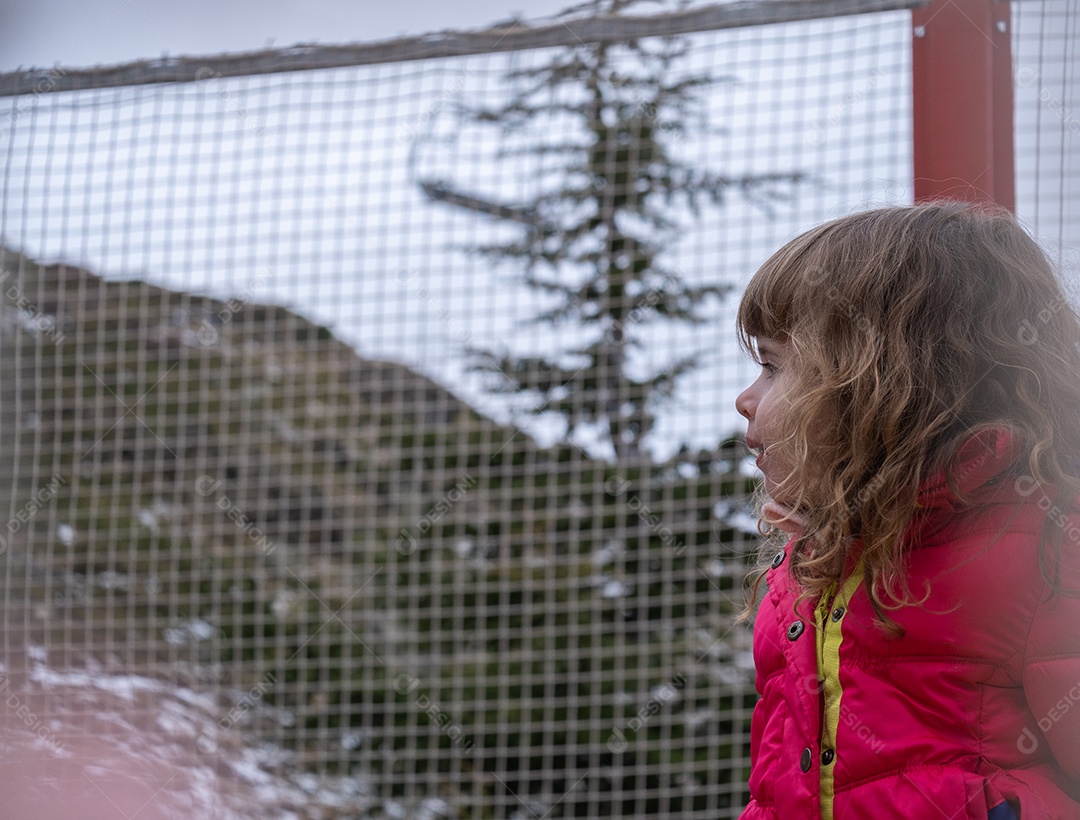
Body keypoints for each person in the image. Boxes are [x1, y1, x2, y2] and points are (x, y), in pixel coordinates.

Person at [733, 202, 1080, 819]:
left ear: (883, 384)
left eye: (773, 365)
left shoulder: (1045, 546)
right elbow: (775, 792)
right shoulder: (802, 576)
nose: (745, 399)